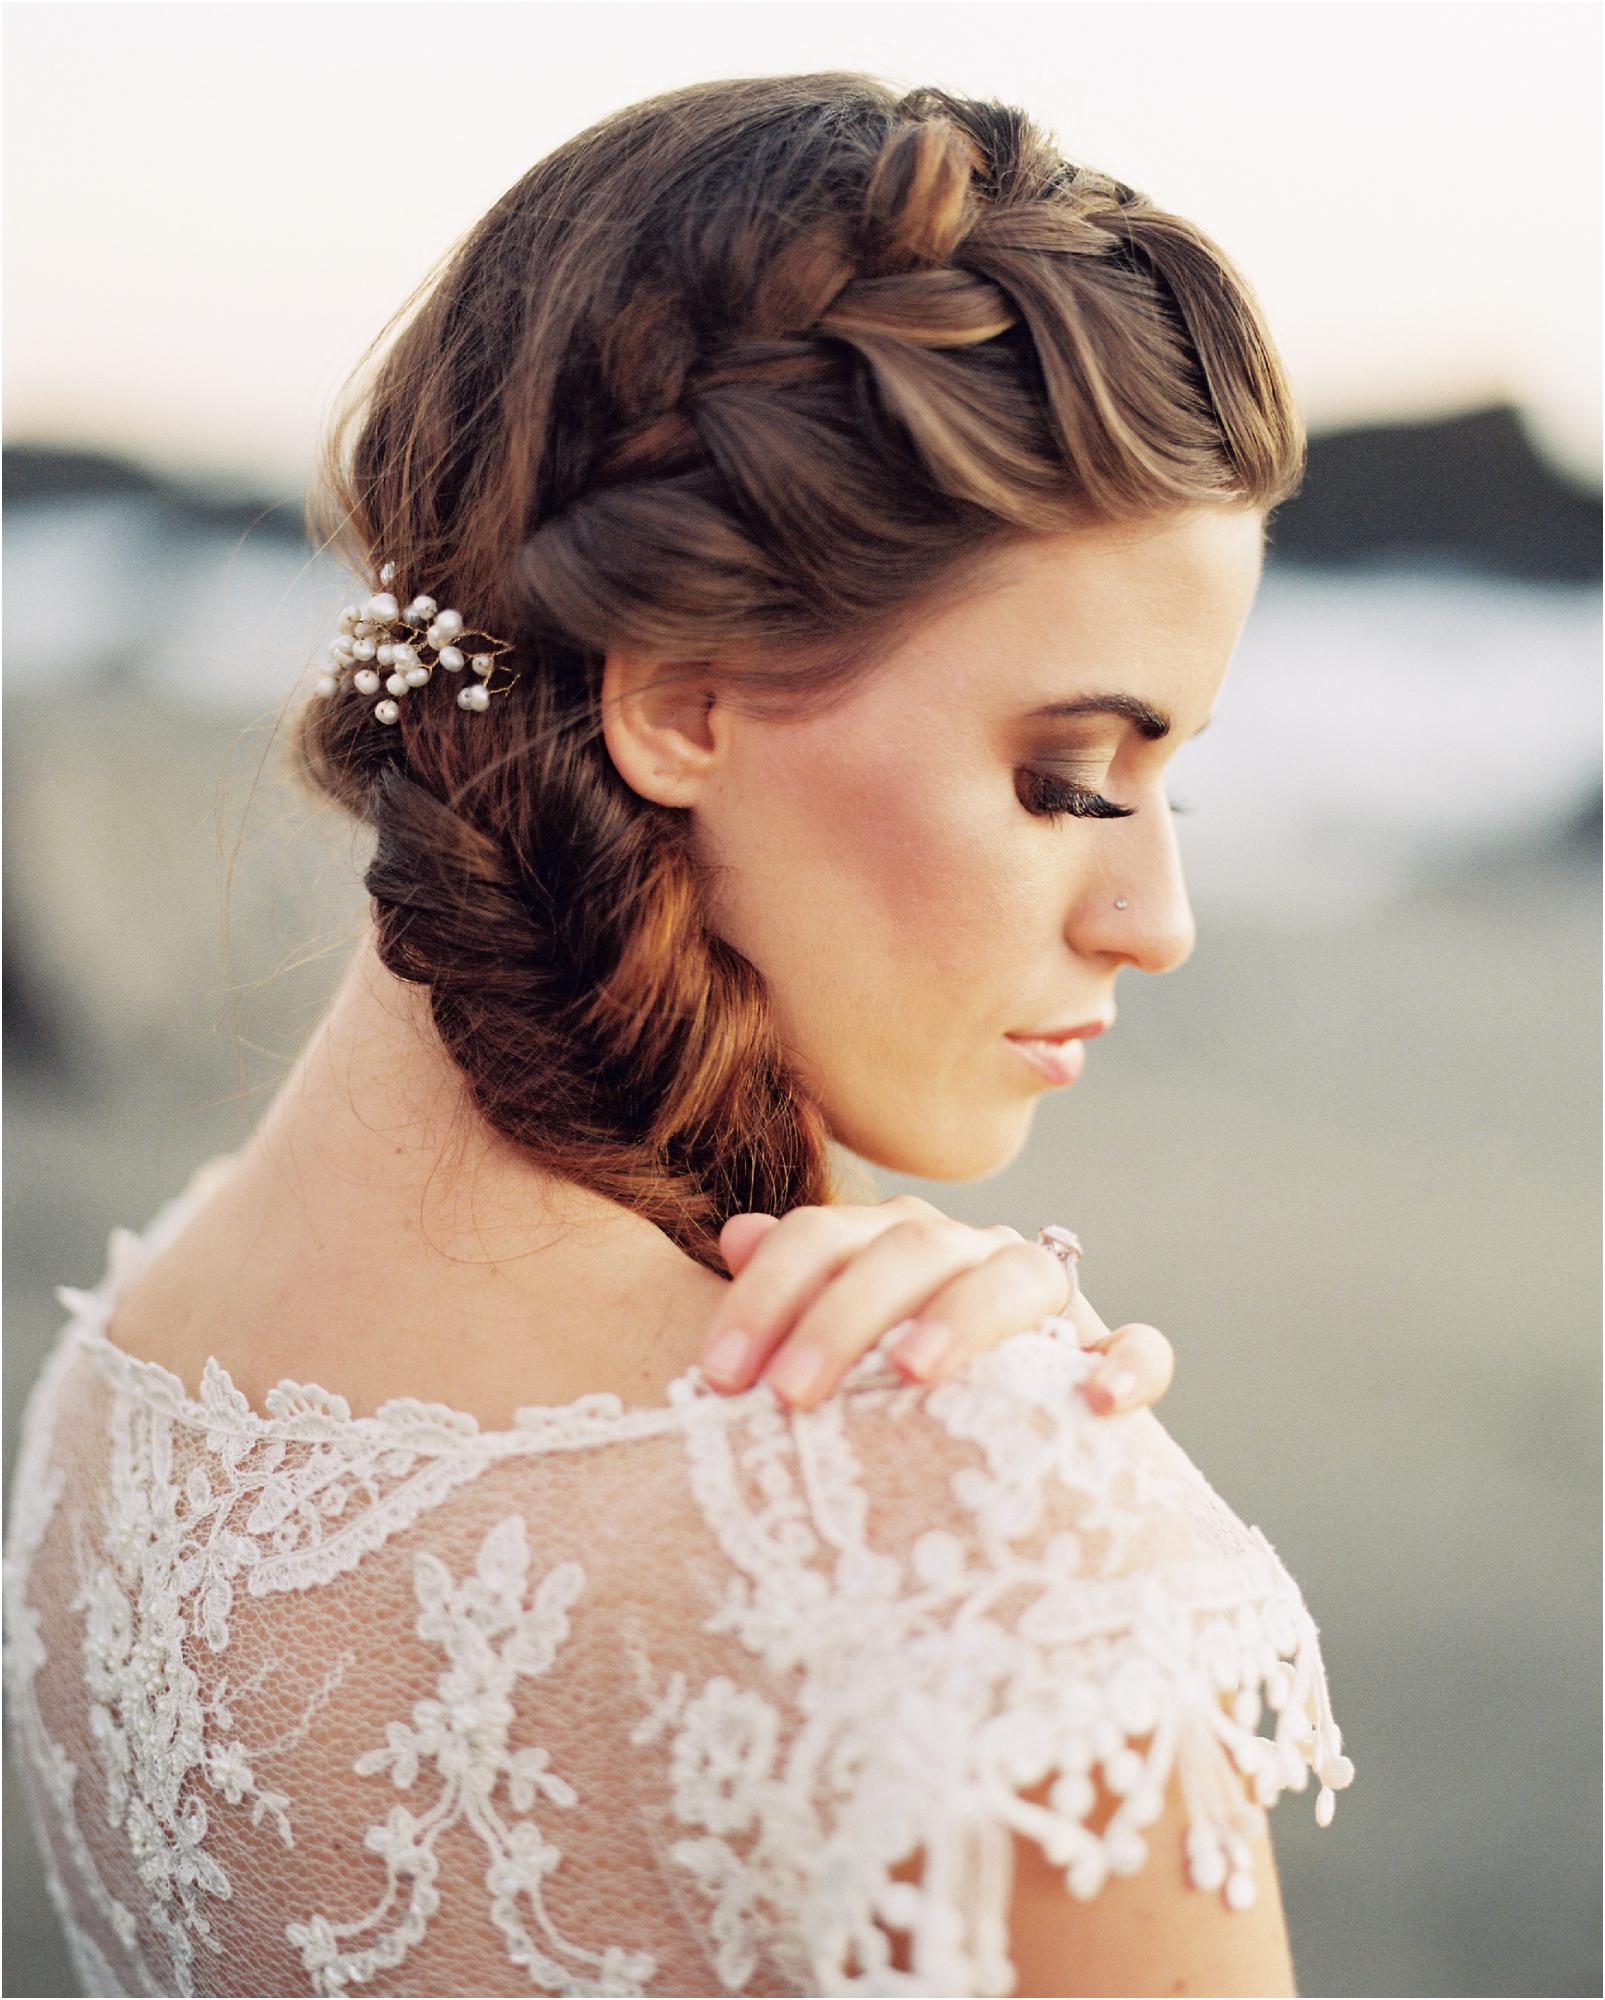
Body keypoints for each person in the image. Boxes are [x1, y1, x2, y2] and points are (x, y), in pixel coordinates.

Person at [1, 71, 1353, 1998]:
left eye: (1171, 789)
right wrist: (997, 1465)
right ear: (680, 706)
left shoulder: (118, 1388)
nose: (1157, 921)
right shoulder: (997, 1569)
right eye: (1069, 777)